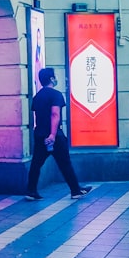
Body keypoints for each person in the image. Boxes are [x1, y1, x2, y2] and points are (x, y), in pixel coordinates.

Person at [25, 67, 91, 201]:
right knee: (65, 163)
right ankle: (76, 191)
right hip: (54, 136)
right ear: (51, 79)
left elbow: (36, 116)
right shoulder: (56, 94)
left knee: (36, 163)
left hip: (39, 135)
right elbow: (55, 114)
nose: (56, 78)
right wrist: (53, 135)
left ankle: (31, 191)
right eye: (54, 76)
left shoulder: (37, 96)